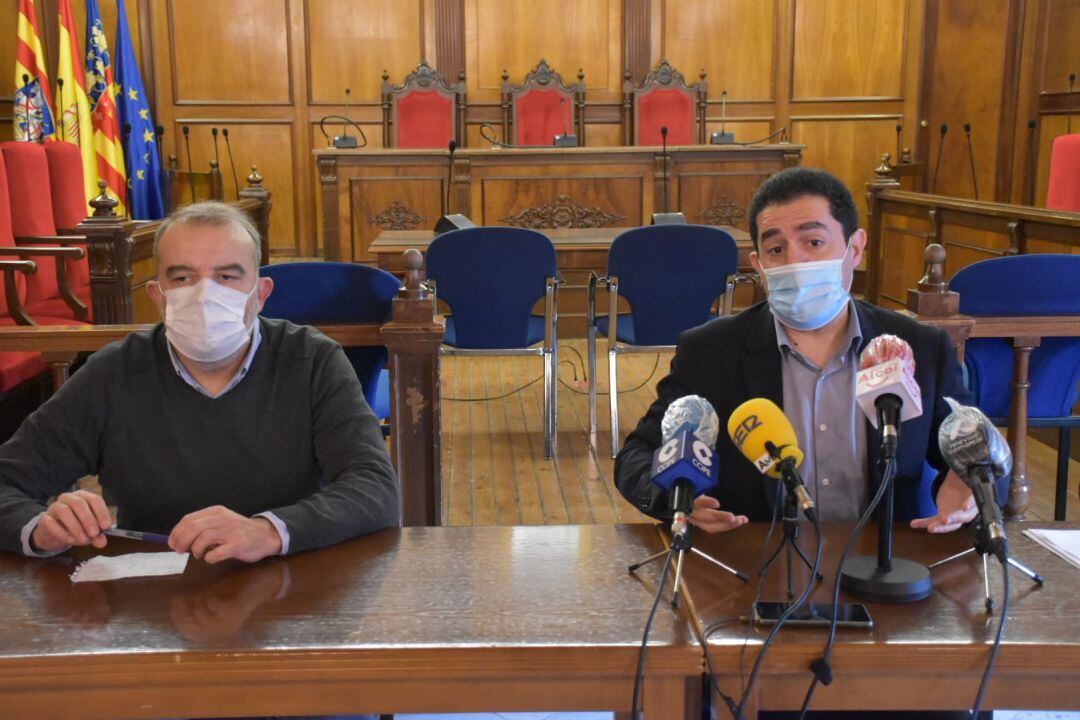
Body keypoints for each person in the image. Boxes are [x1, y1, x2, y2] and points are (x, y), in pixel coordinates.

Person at [0, 202, 400, 562]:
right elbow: (7, 481)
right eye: (183, 278)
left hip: (290, 581)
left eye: (227, 276)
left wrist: (267, 531)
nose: (205, 294)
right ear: (157, 294)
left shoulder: (312, 360)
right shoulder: (113, 372)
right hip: (153, 599)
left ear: (260, 294)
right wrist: (39, 528)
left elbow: (375, 488)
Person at [615, 167, 1006, 535]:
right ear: (759, 265)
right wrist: (678, 500)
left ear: (855, 248)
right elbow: (637, 456)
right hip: (755, 564)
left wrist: (970, 487)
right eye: (776, 250)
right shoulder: (710, 351)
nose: (795, 261)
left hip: (881, 569)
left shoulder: (918, 348)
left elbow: (977, 452)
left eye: (814, 242)